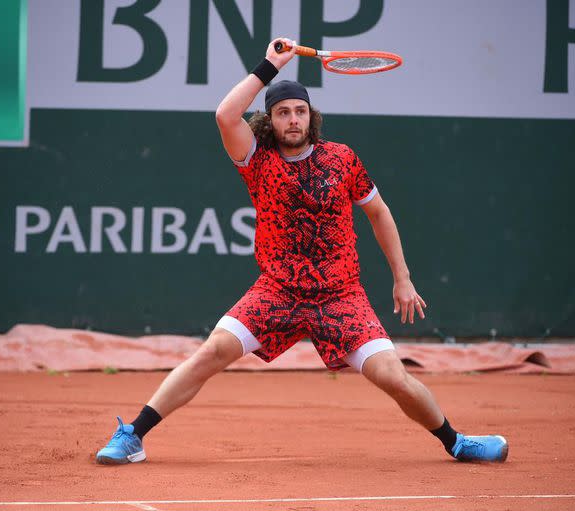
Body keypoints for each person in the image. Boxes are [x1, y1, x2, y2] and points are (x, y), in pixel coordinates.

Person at [96, 38, 508, 465]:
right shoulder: (255, 160)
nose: (293, 119)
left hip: (340, 295)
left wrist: (402, 278)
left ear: (311, 117)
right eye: (282, 112)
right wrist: (269, 66)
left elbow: (379, 213)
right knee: (213, 351)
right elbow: (224, 115)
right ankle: (133, 436)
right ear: (269, 120)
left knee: (394, 376)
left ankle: (456, 442)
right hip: (278, 291)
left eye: (300, 111)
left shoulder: (342, 159)